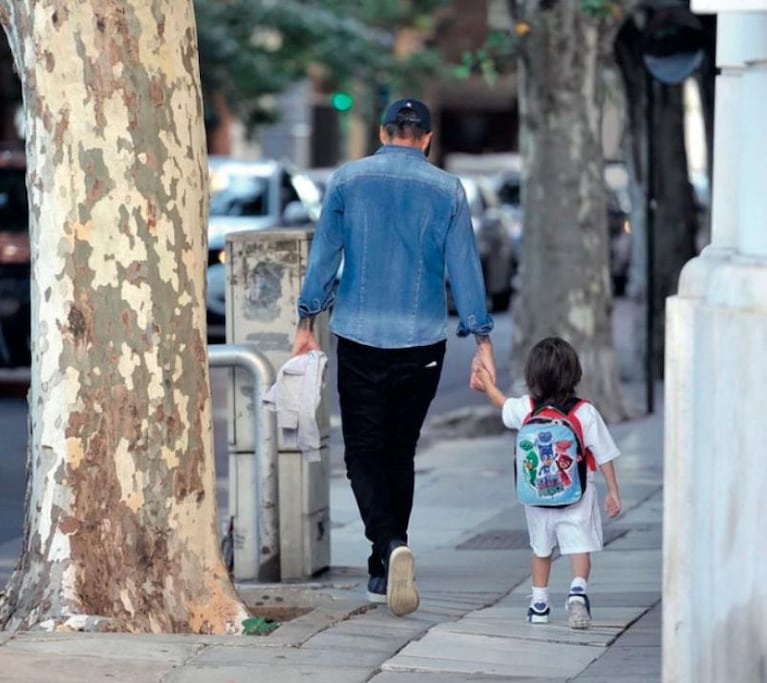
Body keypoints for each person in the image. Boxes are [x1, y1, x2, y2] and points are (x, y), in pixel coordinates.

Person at [291, 98, 496, 617]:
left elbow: (325, 255)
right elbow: (465, 267)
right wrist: (482, 339)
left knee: (362, 451)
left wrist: (305, 319)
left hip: (358, 335)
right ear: (426, 137)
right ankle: (387, 558)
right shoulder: (448, 189)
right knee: (399, 450)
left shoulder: (346, 180)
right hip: (422, 341)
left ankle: (386, 550)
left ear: (382, 132)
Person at [475, 336, 621, 629]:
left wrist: (486, 383)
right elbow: (604, 454)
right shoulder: (585, 412)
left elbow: (501, 403)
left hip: (537, 498)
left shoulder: (527, 408)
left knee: (541, 549)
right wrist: (613, 492)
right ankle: (577, 591)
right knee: (579, 547)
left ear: (532, 376)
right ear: (574, 373)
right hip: (576, 494)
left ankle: (539, 602)